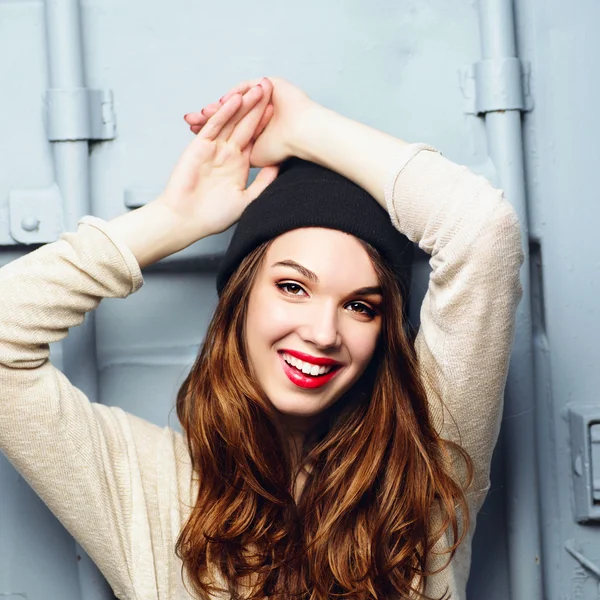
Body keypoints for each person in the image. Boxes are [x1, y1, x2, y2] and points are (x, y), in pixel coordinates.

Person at [0, 77, 524, 599]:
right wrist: (173, 220)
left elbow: (484, 232)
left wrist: (303, 127)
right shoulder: (147, 486)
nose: (322, 334)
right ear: (242, 298)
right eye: (293, 287)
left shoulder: (426, 458)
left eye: (360, 307)